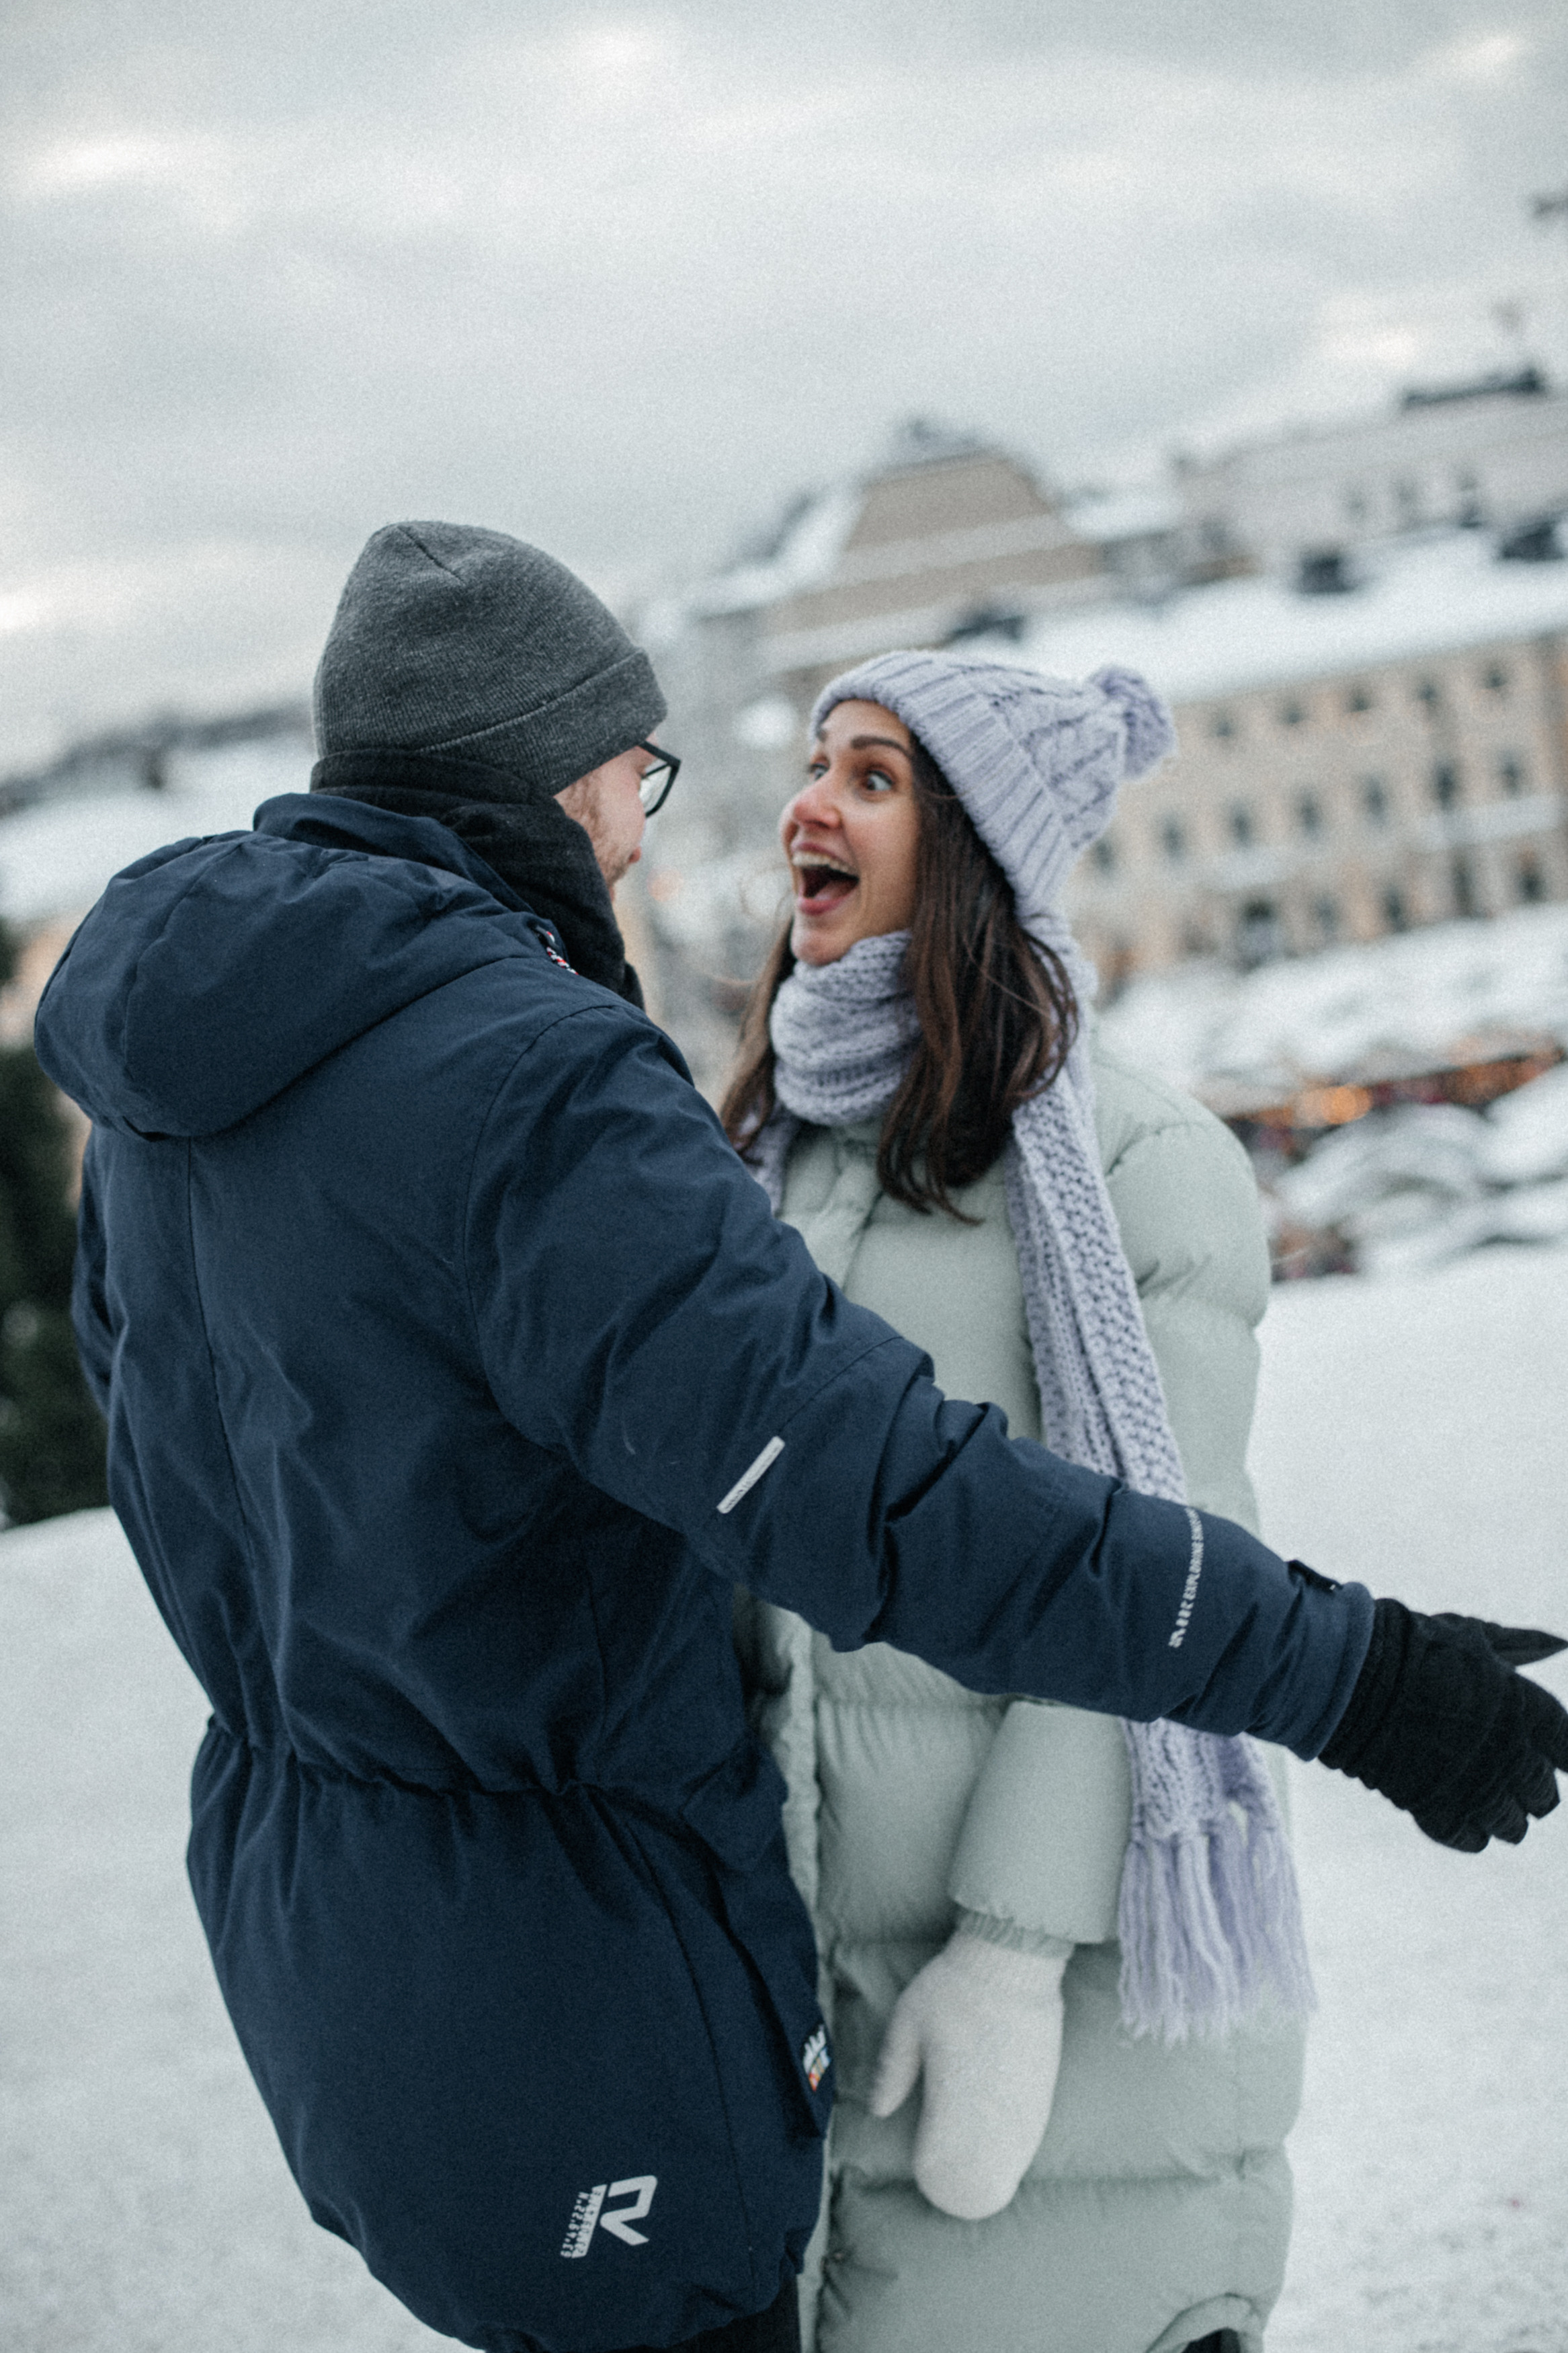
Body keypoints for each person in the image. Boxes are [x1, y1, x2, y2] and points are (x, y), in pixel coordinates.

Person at [33, 524, 1567, 2353]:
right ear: (553, 768)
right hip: (597, 1965)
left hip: (333, 1958)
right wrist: (1350, 1670)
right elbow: (881, 1492)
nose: (648, 830)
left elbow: (197, 1487)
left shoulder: (175, 1095)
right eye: (634, 774)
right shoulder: (529, 1079)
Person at [723, 651, 1315, 2352]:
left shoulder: (1136, 1162)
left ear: (974, 847)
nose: (808, 806)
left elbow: (1170, 1591)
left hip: (1077, 1998)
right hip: (833, 1977)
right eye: (816, 762)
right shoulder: (776, 1154)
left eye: (875, 776)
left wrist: (1008, 1949)